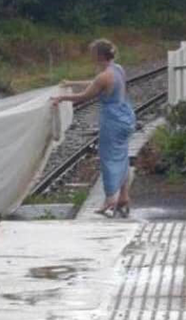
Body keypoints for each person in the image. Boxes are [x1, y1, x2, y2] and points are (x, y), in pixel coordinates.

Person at [51, 39, 135, 218]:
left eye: (93, 53)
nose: (91, 56)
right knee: (121, 157)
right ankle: (124, 197)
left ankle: (109, 200)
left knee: (109, 159)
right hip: (126, 117)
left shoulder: (104, 76)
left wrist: (62, 98)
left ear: (99, 55)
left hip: (112, 121)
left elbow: (85, 95)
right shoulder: (118, 69)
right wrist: (72, 82)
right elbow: (94, 83)